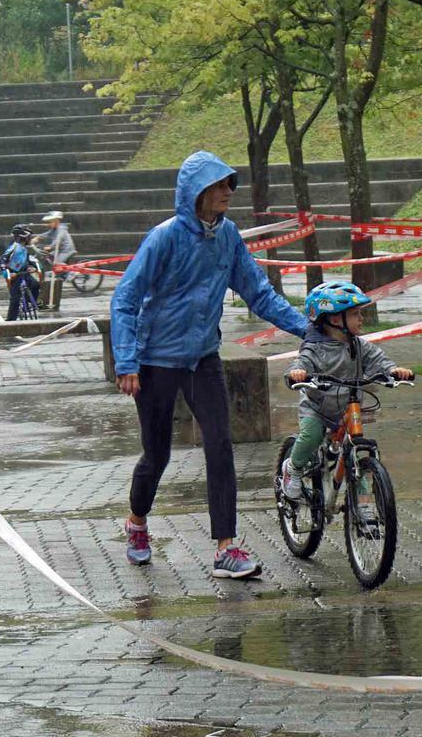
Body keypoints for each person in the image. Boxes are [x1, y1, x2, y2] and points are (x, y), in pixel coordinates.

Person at [111, 150, 307, 580]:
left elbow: (259, 292)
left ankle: (225, 548)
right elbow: (125, 299)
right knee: (156, 455)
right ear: (196, 193)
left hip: (203, 358)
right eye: (219, 186)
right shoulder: (164, 238)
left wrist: (307, 329)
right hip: (155, 361)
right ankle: (137, 522)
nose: (227, 193)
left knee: (220, 447)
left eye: (230, 185)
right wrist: (126, 362)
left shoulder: (229, 236)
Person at [281, 281, 413, 521]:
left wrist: (394, 371)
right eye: (354, 314)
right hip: (317, 407)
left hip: (347, 408)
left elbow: (379, 360)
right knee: (310, 436)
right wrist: (298, 373)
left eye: (360, 313)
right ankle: (294, 468)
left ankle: (362, 504)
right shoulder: (314, 348)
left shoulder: (359, 345)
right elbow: (300, 364)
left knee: (356, 453)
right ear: (333, 320)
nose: (361, 318)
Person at [0, 223, 40, 321]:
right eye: (29, 237)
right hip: (15, 276)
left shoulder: (24, 249)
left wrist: (33, 268)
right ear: (23, 238)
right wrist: (7, 273)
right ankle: (10, 320)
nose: (30, 239)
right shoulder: (13, 248)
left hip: (25, 274)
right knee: (15, 299)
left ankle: (29, 302)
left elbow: (27, 260)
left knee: (35, 285)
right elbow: (2, 261)